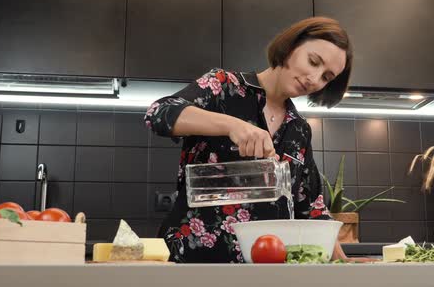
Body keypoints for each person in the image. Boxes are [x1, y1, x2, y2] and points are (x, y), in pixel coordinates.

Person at [145, 17, 353, 263]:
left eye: (326, 77)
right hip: (194, 259)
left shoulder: (300, 129)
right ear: (291, 46)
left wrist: (342, 261)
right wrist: (233, 125)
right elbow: (159, 113)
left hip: (265, 266)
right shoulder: (224, 87)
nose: (314, 78)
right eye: (313, 61)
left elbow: (311, 207)